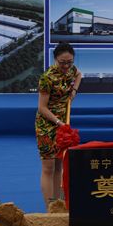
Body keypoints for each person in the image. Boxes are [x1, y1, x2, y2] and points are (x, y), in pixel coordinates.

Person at [36, 43, 82, 208]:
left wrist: (74, 91)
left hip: (63, 124)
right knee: (48, 167)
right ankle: (49, 207)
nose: (66, 66)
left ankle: (58, 204)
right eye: (63, 62)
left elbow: (79, 74)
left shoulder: (71, 70)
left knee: (59, 165)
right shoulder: (47, 78)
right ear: (55, 59)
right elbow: (42, 108)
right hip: (47, 126)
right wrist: (59, 123)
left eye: (69, 62)